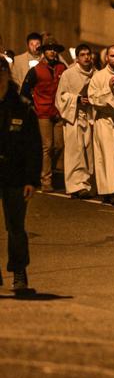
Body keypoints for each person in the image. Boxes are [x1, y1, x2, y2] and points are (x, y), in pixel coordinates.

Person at [0, 56, 42, 291]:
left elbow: (33, 147)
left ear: (7, 74)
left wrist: (31, 180)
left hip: (15, 176)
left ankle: (19, 272)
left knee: (15, 227)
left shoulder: (23, 106)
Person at [20, 36, 67, 192]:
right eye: (49, 49)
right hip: (42, 113)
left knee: (59, 145)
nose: (52, 52)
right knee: (47, 146)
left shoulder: (62, 68)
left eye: (54, 49)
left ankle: (49, 172)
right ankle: (45, 180)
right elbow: (25, 91)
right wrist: (33, 107)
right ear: (44, 52)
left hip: (58, 111)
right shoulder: (35, 70)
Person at [55, 43, 96, 198]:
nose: (86, 57)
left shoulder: (96, 73)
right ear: (77, 58)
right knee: (75, 153)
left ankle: (85, 183)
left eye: (88, 54)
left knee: (87, 152)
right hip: (73, 117)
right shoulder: (68, 74)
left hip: (89, 116)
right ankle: (75, 186)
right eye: (83, 55)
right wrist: (77, 99)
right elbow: (60, 96)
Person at [88, 45, 114, 204]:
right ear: (106, 58)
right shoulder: (98, 76)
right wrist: (109, 89)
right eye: (112, 56)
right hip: (104, 119)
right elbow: (93, 98)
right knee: (107, 155)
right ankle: (109, 190)